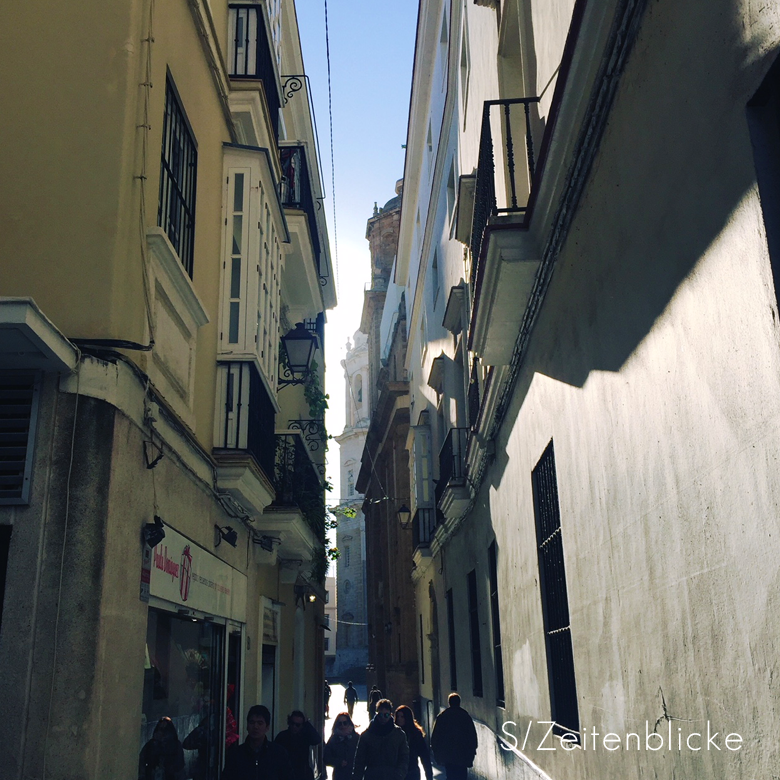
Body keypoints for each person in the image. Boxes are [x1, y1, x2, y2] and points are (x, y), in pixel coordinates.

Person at [221, 705, 294, 780]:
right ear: (247, 726)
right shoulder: (236, 754)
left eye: (260, 723)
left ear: (267, 727)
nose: (255, 727)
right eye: (252, 722)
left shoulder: (279, 754)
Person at [351, 699, 409, 780]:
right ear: (376, 714)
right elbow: (359, 761)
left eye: (386, 715)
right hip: (372, 776)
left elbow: (404, 757)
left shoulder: (399, 735)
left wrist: (399, 775)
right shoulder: (367, 735)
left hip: (393, 776)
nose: (383, 718)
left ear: (391, 714)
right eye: (380, 715)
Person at [430, 694, 477, 780]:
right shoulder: (465, 716)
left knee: (450, 775)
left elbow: (435, 737)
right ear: (459, 702)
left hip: (448, 756)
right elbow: (472, 736)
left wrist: (436, 753)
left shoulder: (442, 717)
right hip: (463, 755)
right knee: (462, 776)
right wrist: (472, 752)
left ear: (449, 703)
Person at [274, 710, 322, 780]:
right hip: (285, 774)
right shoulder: (282, 736)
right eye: (292, 723)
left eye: (297, 725)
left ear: (302, 726)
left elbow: (317, 739)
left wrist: (307, 723)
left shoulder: (304, 737)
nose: (294, 727)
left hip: (301, 774)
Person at [394, 706, 432, 780]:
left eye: (402, 716)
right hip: (397, 772)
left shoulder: (415, 734)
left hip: (412, 771)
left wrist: (429, 775)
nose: (399, 719)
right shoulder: (394, 733)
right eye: (398, 716)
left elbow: (424, 755)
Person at [324, 712, 360, 780]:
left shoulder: (356, 738)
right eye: (340, 723)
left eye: (345, 723)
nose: (342, 726)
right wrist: (339, 762)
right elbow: (326, 758)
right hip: (339, 775)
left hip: (354, 774)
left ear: (349, 723)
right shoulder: (334, 739)